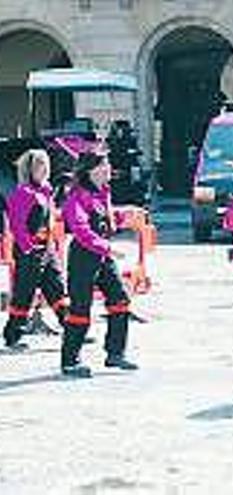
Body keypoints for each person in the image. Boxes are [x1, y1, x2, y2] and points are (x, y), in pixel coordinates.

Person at [60, 151, 137, 378]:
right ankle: (70, 361)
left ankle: (115, 354)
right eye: (103, 165)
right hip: (84, 257)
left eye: (108, 164)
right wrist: (109, 248)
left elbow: (104, 220)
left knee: (120, 300)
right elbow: (82, 231)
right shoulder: (76, 197)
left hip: (102, 256)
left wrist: (122, 218)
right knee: (80, 310)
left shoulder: (103, 192)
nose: (108, 169)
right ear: (89, 170)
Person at [2, 149, 71, 350]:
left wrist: (50, 247)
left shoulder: (46, 190)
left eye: (45, 164)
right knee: (25, 292)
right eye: (38, 165)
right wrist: (28, 248)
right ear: (29, 169)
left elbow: (50, 219)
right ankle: (13, 335)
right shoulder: (23, 193)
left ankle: (72, 327)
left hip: (46, 249)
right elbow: (17, 224)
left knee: (57, 287)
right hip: (29, 250)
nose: (43, 168)